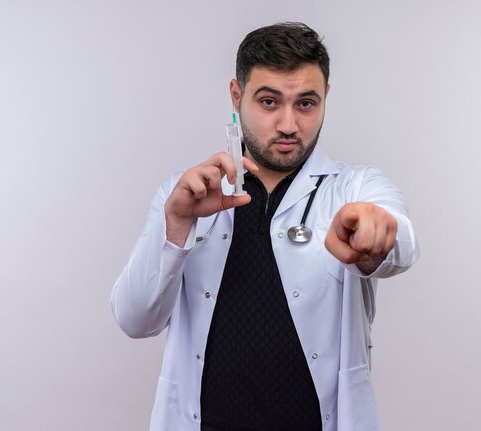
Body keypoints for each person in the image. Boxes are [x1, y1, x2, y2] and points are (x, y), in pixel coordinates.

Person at [111, 22, 419, 431]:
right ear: (236, 97)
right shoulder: (182, 196)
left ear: (325, 97)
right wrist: (178, 222)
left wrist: (378, 235)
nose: (289, 124)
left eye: (306, 103)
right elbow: (135, 320)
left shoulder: (354, 188)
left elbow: (401, 240)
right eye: (269, 102)